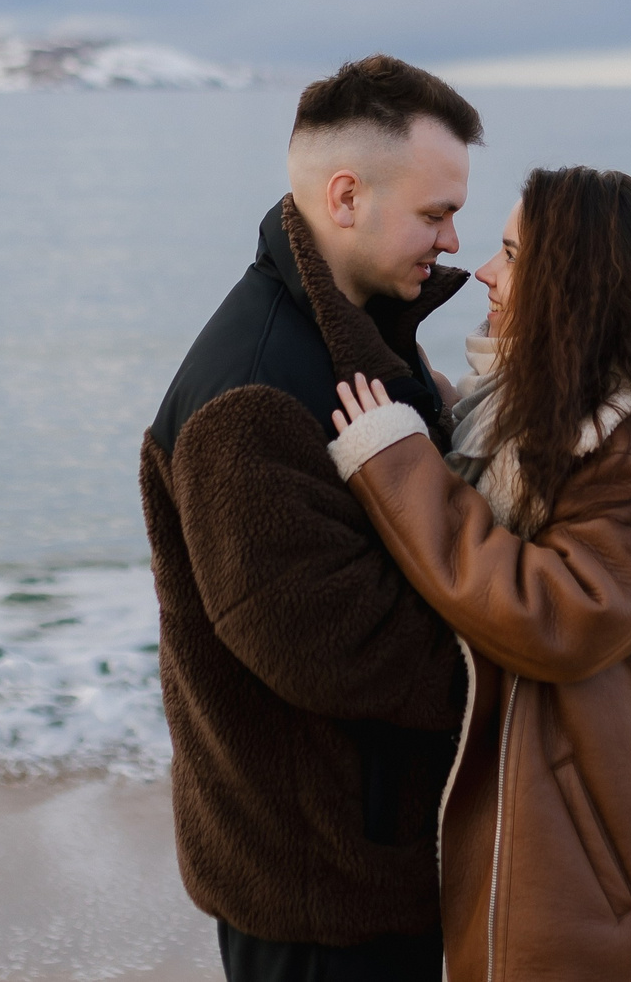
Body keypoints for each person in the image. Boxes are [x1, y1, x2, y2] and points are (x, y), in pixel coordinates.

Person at [326, 165, 631, 982]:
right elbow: (500, 495)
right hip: (539, 810)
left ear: (574, 285)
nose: (486, 270)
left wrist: (397, 463)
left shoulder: (626, 443)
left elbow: (552, 615)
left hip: (580, 851)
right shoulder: (521, 412)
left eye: (514, 254)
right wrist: (416, 397)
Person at [140, 55, 485, 982]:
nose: (454, 238)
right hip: (320, 893)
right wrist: (531, 656)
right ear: (346, 196)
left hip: (364, 863)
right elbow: (332, 643)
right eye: (436, 212)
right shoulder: (253, 390)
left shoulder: (351, 337)